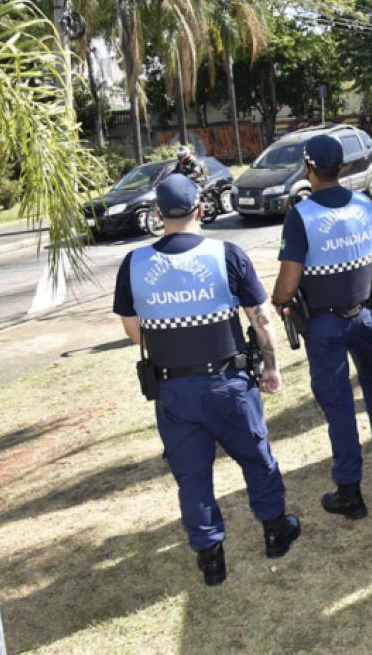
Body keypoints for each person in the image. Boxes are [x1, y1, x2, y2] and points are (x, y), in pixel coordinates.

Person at [113, 174, 300, 587]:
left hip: (173, 390)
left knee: (192, 478)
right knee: (257, 458)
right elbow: (261, 319)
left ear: (158, 213)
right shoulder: (227, 255)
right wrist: (271, 366)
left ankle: (211, 560)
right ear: (200, 209)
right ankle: (275, 531)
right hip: (228, 384)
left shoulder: (134, 264)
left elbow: (133, 330)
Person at [272, 134, 372, 521]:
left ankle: (350, 491)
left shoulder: (301, 215)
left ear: (308, 168)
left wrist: (278, 301)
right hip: (363, 315)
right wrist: (360, 276)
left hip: (323, 324)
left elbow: (288, 284)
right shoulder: (366, 204)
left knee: (340, 406)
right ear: (342, 166)